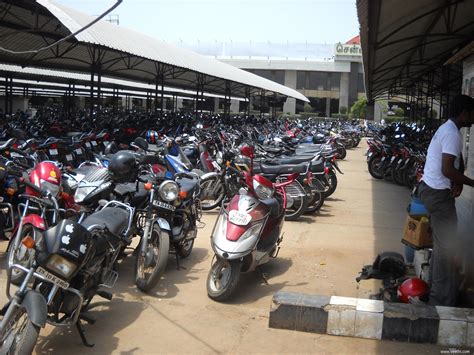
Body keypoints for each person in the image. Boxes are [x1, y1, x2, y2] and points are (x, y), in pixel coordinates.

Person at [418, 94, 474, 306]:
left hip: (432, 191)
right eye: (472, 112)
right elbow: (447, 168)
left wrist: (458, 181)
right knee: (445, 251)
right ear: (464, 113)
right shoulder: (452, 134)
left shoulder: (447, 129)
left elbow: (453, 164)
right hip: (439, 196)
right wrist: (470, 182)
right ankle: (440, 301)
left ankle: (436, 293)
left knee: (442, 246)